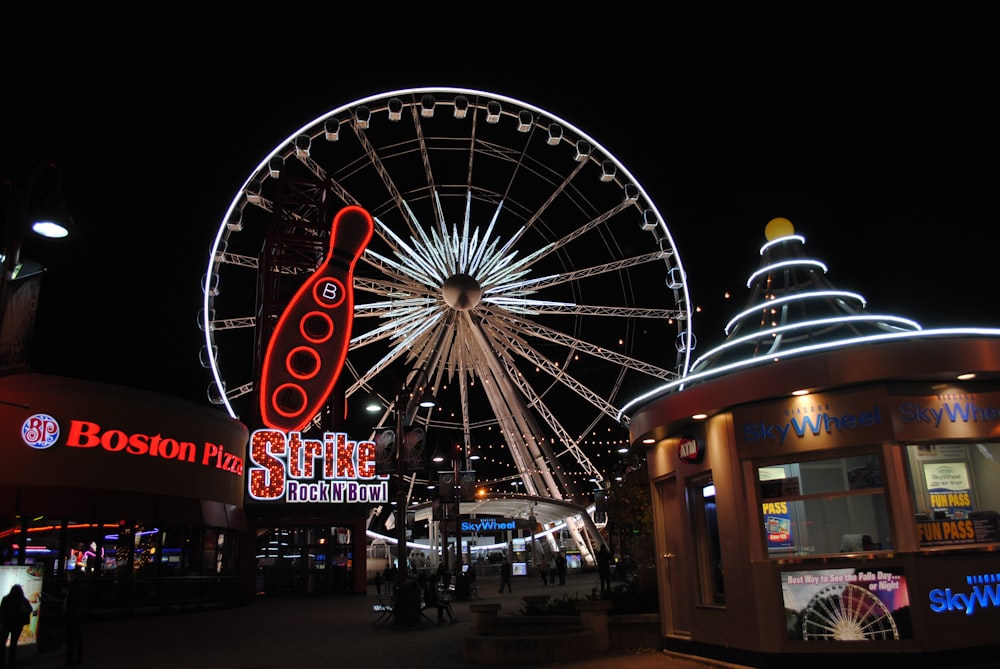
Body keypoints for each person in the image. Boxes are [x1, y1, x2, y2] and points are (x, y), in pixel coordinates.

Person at [0, 583, 32, 669]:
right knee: (13, 645)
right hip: (17, 626)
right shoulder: (23, 601)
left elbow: (1, 613)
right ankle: (11, 665)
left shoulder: (6, 599)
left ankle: (2, 663)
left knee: (2, 644)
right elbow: (30, 609)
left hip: (6, 625)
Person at [59, 569, 85, 668]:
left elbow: (72, 601)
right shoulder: (77, 586)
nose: (68, 578)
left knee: (71, 638)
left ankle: (70, 659)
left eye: (68, 576)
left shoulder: (74, 587)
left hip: (72, 615)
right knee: (77, 636)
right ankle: (77, 658)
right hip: (75, 614)